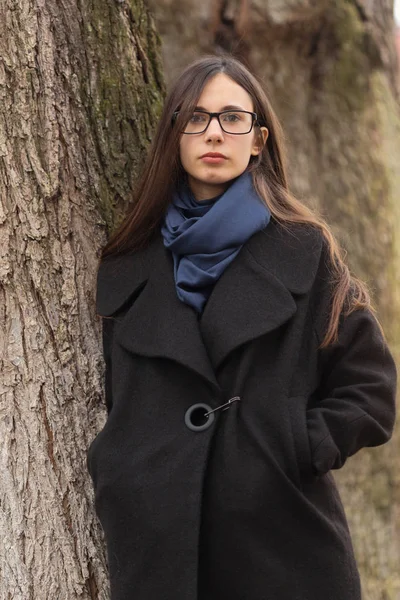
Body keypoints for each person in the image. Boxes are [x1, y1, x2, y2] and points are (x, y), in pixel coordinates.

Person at [87, 55, 397, 600]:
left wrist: (292, 447)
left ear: (258, 140)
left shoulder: (306, 251)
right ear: (174, 136)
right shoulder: (128, 261)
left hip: (283, 548)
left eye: (233, 118)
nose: (214, 133)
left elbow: (371, 390)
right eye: (196, 117)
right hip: (157, 549)